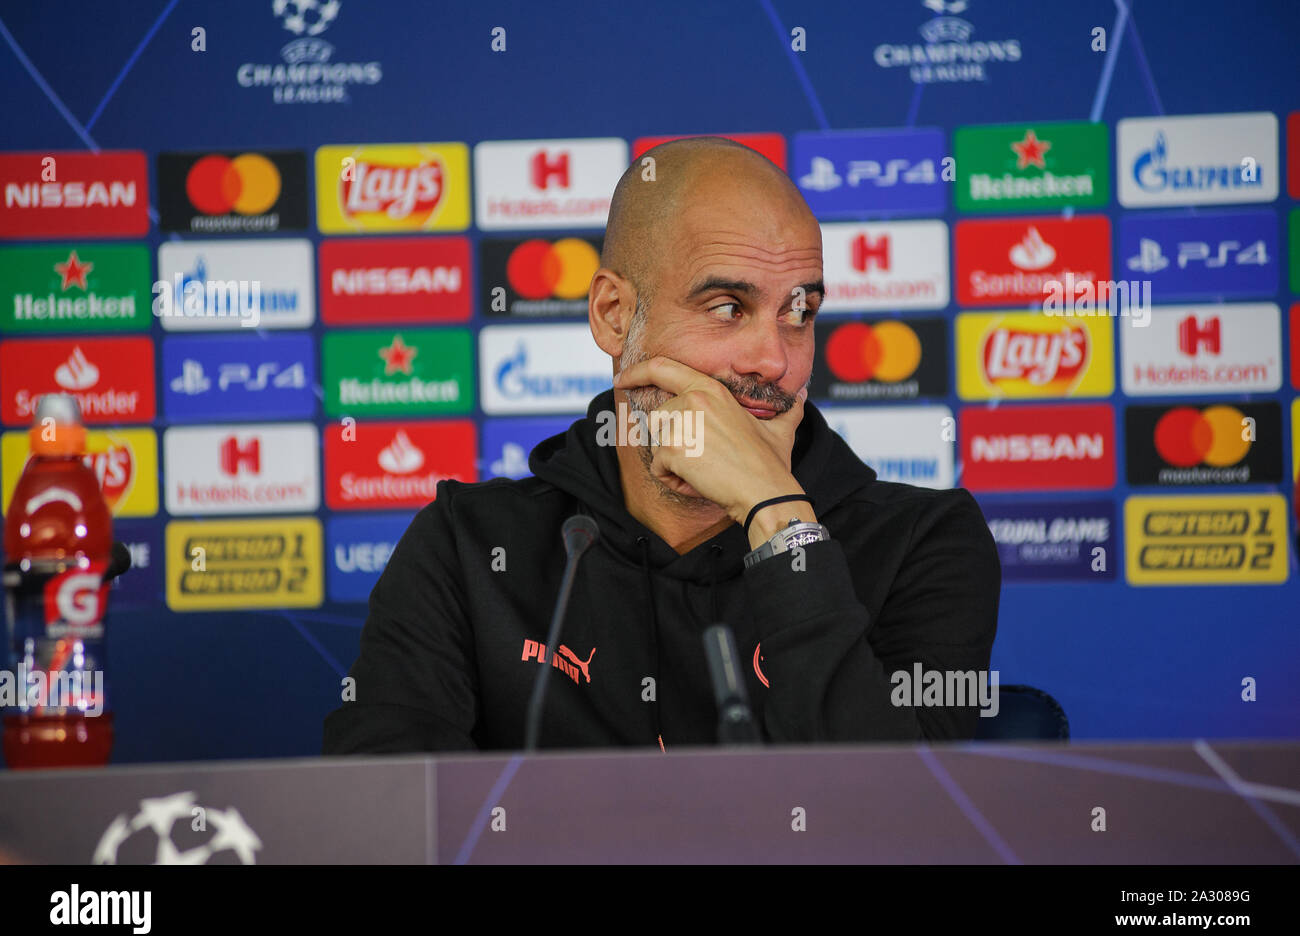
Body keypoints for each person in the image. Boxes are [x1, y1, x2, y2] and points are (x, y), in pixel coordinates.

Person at [322, 137, 1000, 753]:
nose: (774, 360)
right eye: (728, 307)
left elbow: (906, 815)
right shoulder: (468, 545)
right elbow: (389, 812)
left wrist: (778, 518)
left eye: (800, 312)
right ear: (614, 316)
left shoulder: (924, 542)